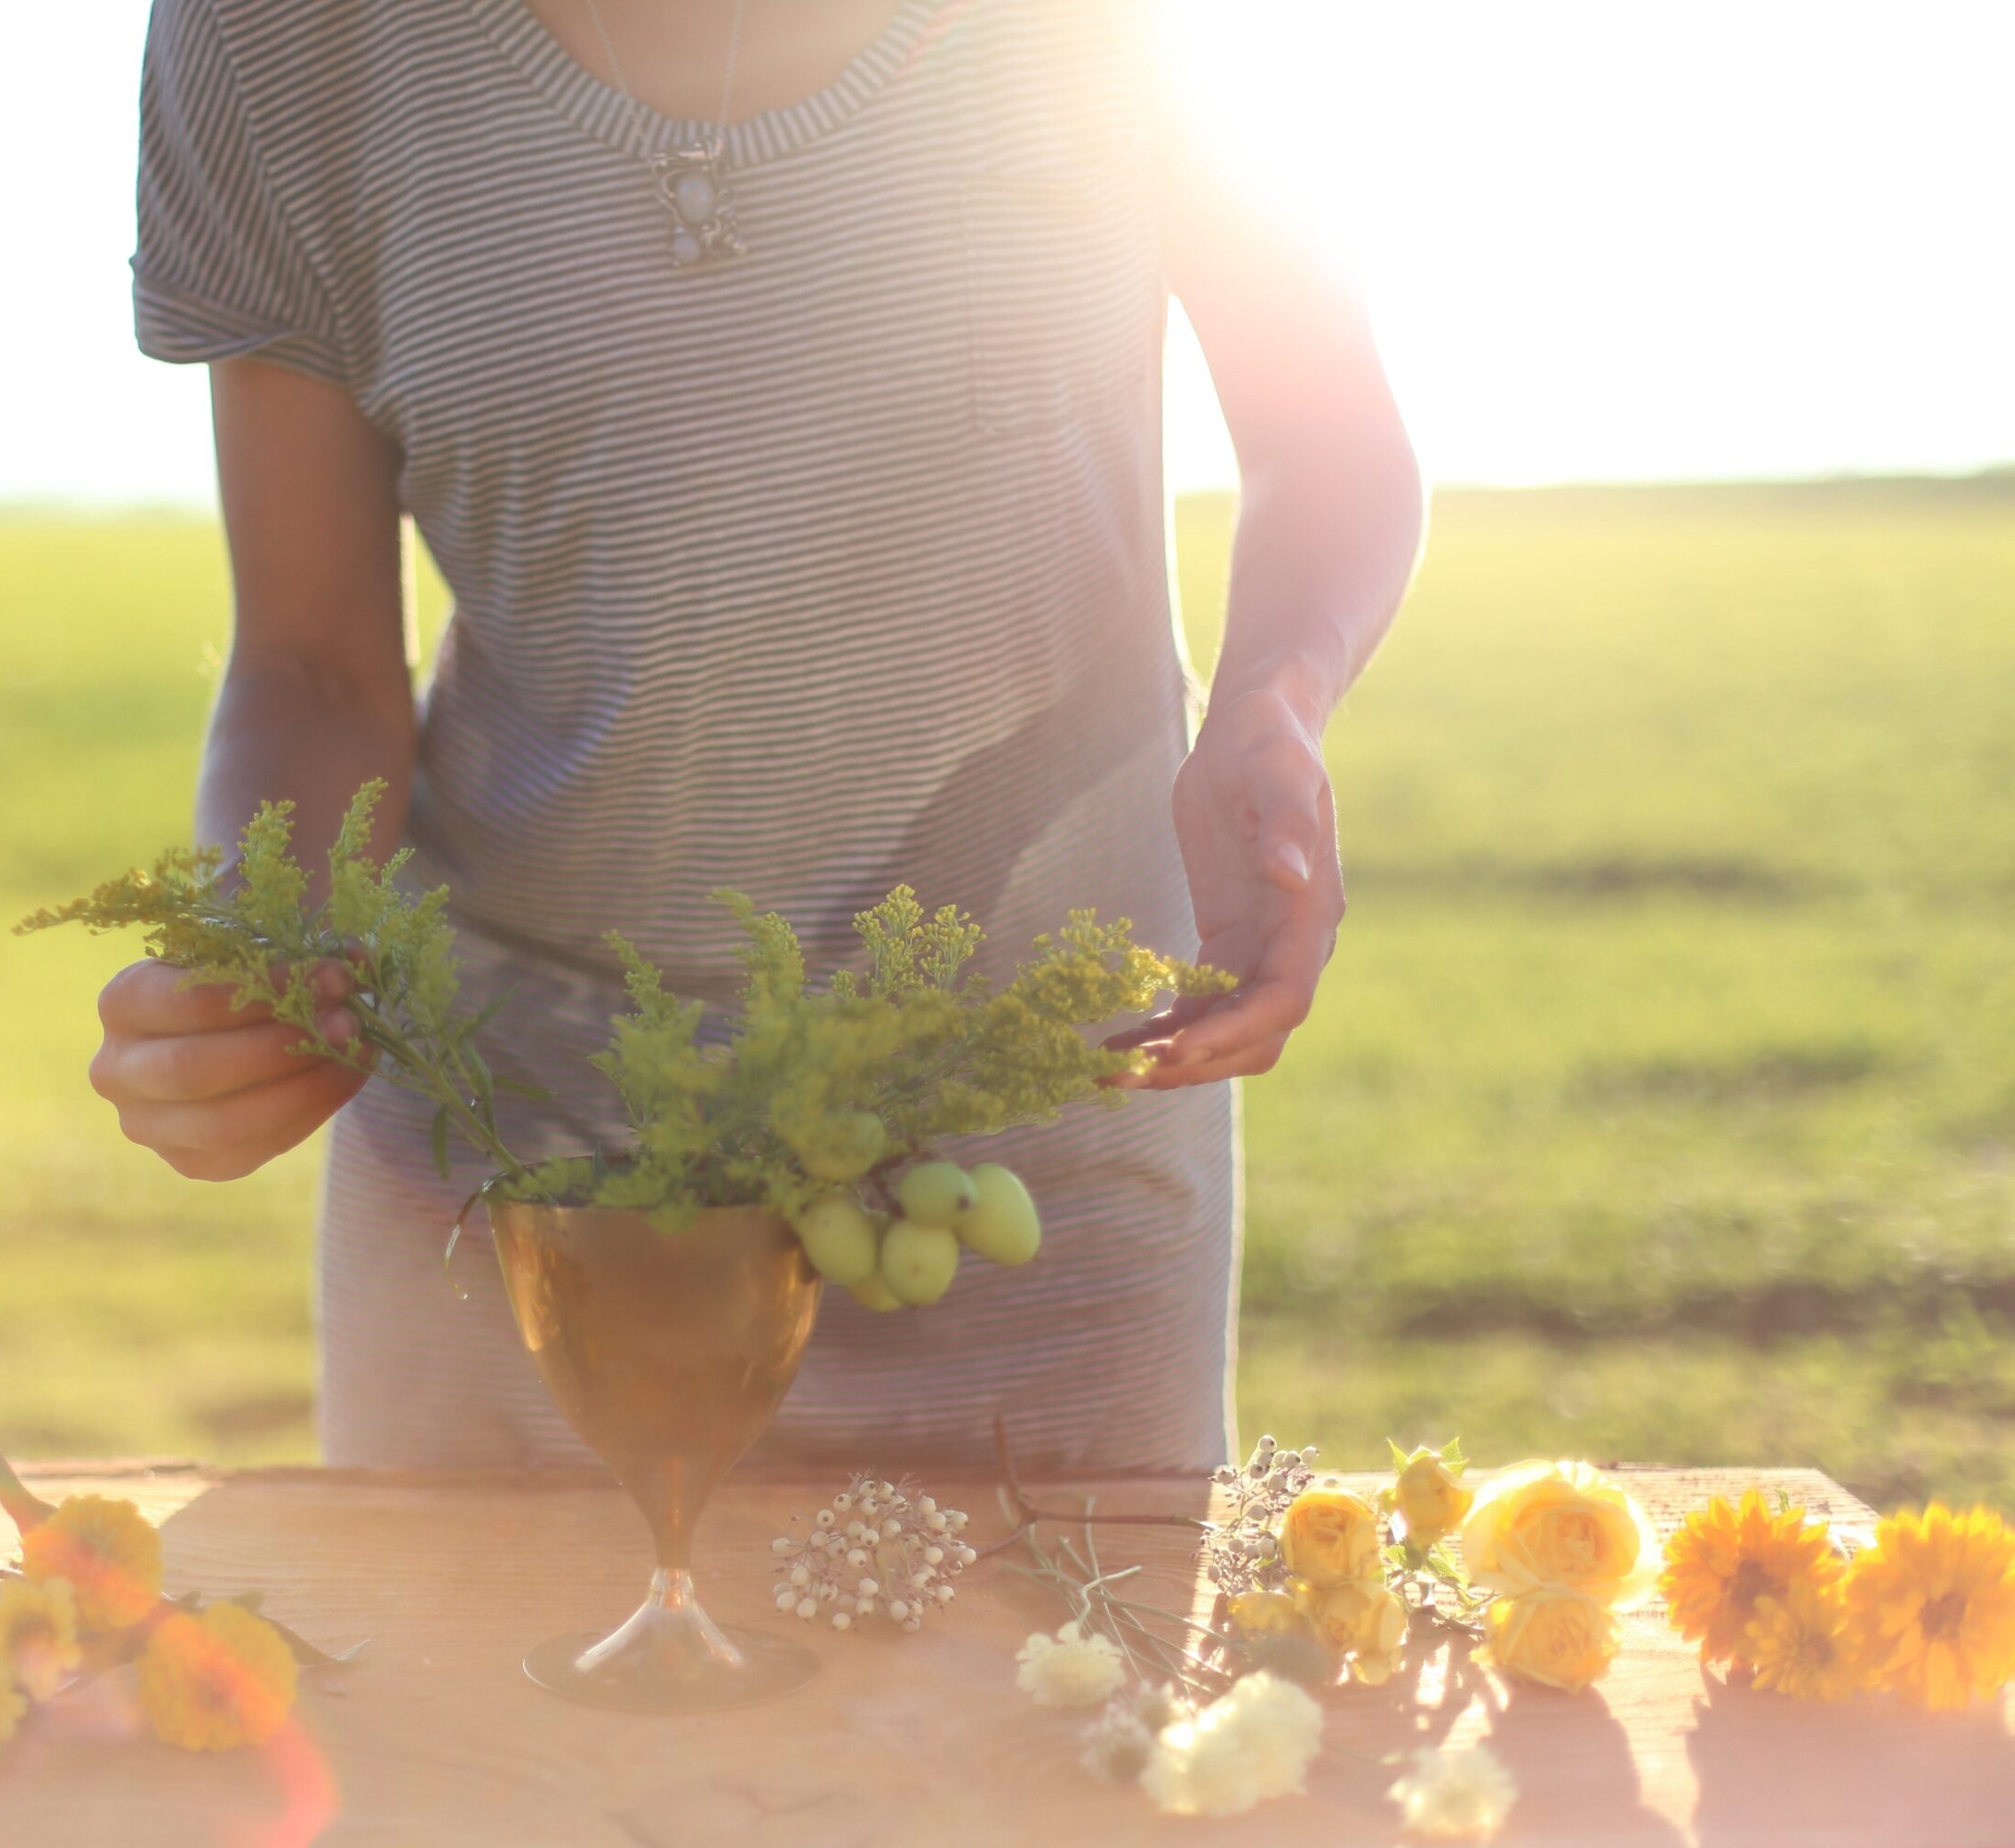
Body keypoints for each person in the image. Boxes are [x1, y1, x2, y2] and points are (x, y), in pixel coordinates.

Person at [88, 0, 1423, 1471]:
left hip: (1026, 1175)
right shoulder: (276, 37)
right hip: (518, 1200)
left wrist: (1273, 697)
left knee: (1056, 1692)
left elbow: (1323, 424)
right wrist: (268, 952)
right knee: (459, 1691)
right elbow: (311, 662)